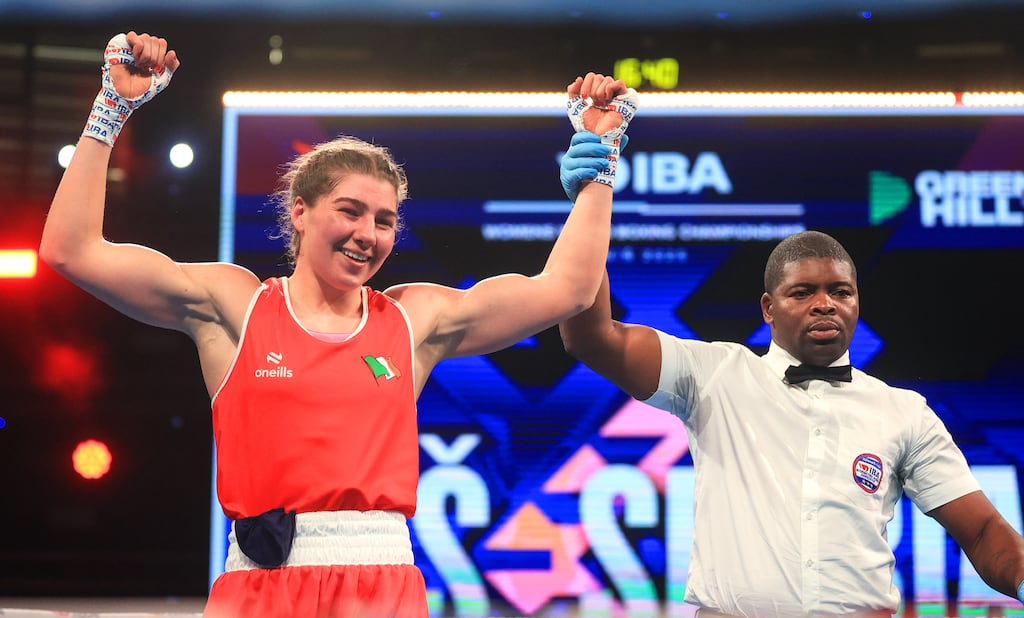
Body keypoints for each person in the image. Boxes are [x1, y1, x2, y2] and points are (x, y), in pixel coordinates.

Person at [38, 31, 638, 617]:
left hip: (381, 590)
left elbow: (567, 290)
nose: (367, 235)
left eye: (384, 220)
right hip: (259, 587)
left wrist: (599, 163)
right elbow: (72, 250)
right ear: (300, 212)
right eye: (349, 211)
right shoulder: (234, 306)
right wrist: (110, 110)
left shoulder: (413, 320)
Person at [557, 224, 1024, 615]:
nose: (826, 304)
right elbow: (592, 337)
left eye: (840, 292)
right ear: (768, 309)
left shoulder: (904, 411)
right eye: (803, 292)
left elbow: (982, 531)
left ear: (856, 303)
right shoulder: (714, 374)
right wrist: (592, 191)